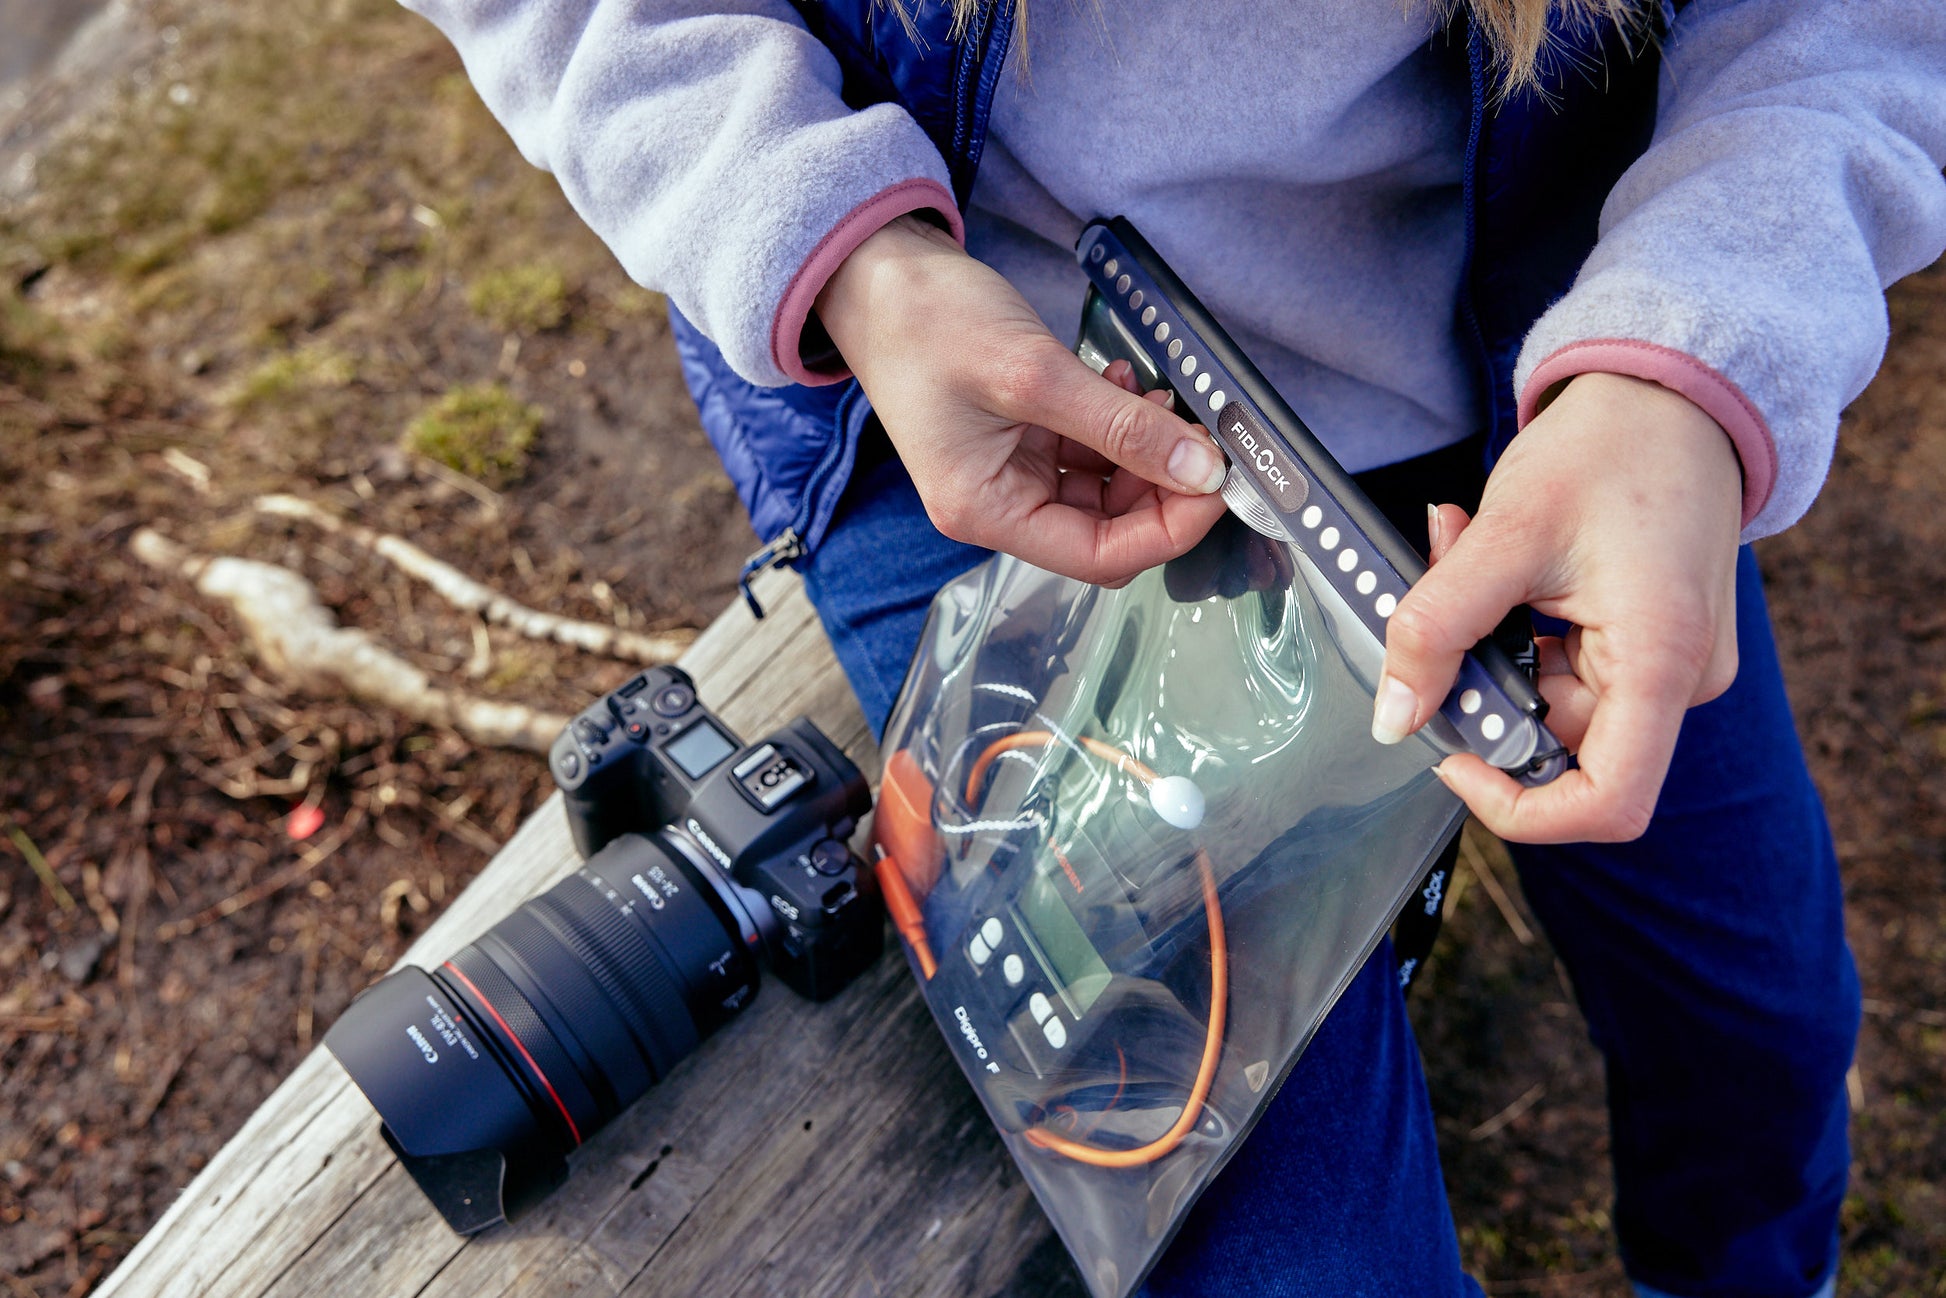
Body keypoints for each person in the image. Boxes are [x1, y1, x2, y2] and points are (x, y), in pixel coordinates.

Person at [399, 0, 1946, 1292]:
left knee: (1763, 1028)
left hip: (1557, 379)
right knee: (1301, 1258)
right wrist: (830, 240)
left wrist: (1692, 357)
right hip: (987, 381)